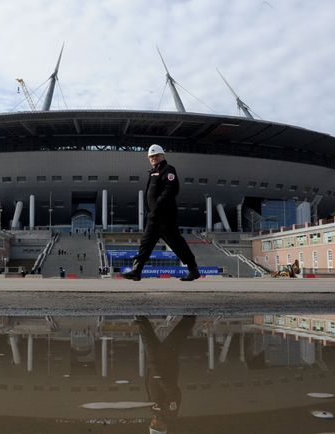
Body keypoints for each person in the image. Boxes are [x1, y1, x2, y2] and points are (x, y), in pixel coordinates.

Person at [123, 144, 200, 282]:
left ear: (162, 156)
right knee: (145, 244)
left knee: (176, 243)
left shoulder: (168, 170)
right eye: (151, 157)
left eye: (156, 156)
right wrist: (149, 211)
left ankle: (193, 269)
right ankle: (137, 271)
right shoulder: (153, 172)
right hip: (153, 217)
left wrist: (157, 207)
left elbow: (171, 190)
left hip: (165, 217)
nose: (153, 158)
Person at [136, 315, 196, 433]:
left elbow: (149, 392)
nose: (152, 423)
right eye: (155, 426)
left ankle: (141, 319)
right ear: (162, 427)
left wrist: (149, 374)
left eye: (152, 425)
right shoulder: (170, 412)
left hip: (154, 368)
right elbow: (173, 393)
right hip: (166, 369)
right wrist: (160, 377)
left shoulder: (154, 411)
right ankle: (190, 317)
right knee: (175, 339)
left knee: (149, 342)